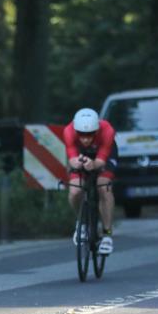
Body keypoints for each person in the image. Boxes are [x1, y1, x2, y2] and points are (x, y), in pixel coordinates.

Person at [64, 108, 118, 255]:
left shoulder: (107, 130)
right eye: (81, 134)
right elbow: (72, 159)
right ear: (76, 130)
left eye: (90, 134)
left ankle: (107, 234)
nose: (86, 139)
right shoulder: (68, 131)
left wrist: (93, 164)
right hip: (81, 153)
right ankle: (81, 223)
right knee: (75, 191)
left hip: (105, 153)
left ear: (97, 129)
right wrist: (77, 163)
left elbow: (101, 160)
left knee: (103, 187)